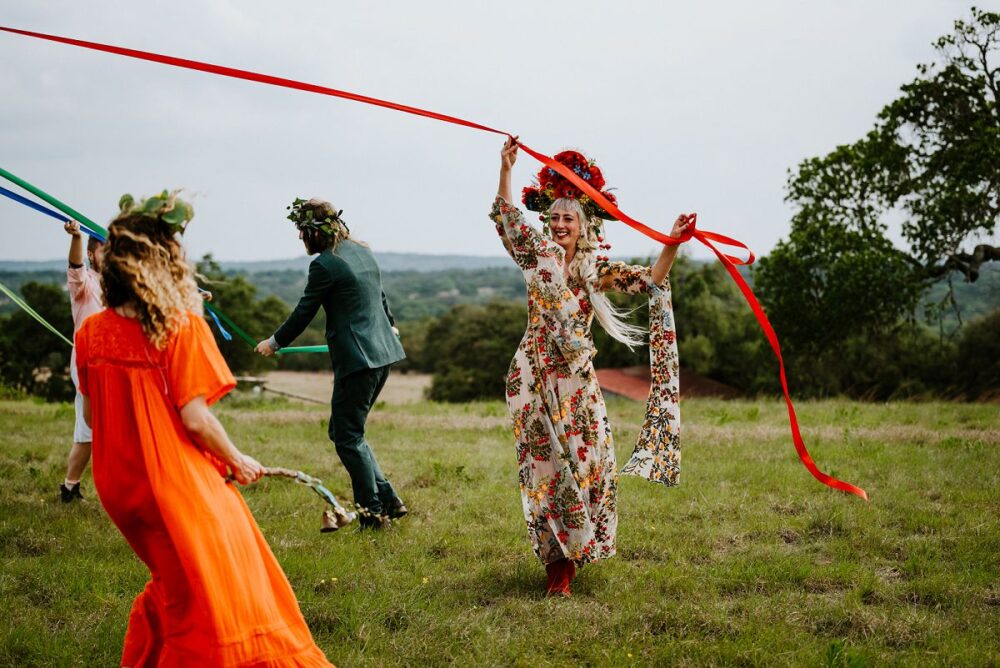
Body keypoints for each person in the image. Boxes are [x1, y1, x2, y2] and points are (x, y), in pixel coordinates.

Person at [75, 191, 332, 667]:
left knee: (180, 582)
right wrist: (237, 459)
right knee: (234, 575)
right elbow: (195, 419)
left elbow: (91, 418)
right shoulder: (179, 326)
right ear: (163, 262)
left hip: (119, 486)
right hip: (170, 484)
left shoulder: (90, 331)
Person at [492, 138, 692, 596]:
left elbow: (648, 280)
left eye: (569, 218)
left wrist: (673, 242)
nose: (561, 224)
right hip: (535, 376)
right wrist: (505, 168)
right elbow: (505, 218)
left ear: (583, 225)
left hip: (577, 382)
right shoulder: (536, 257)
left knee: (590, 462)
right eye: (555, 218)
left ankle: (579, 545)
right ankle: (557, 566)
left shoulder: (593, 269)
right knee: (545, 467)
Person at [255, 198, 407, 530]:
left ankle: (373, 514)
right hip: (383, 353)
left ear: (313, 232)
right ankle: (389, 501)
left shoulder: (325, 264)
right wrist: (391, 325)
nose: (299, 238)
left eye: (301, 231)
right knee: (345, 431)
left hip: (359, 359)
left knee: (348, 436)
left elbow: (304, 310)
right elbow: (381, 297)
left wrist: (274, 342)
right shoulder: (362, 251)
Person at [60, 220, 104, 502]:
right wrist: (77, 237)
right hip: (88, 364)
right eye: (104, 251)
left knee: (90, 432)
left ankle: (70, 487)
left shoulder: (121, 285)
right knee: (90, 430)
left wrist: (193, 296)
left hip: (114, 363)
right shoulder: (85, 284)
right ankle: (70, 487)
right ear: (92, 255)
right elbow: (75, 268)